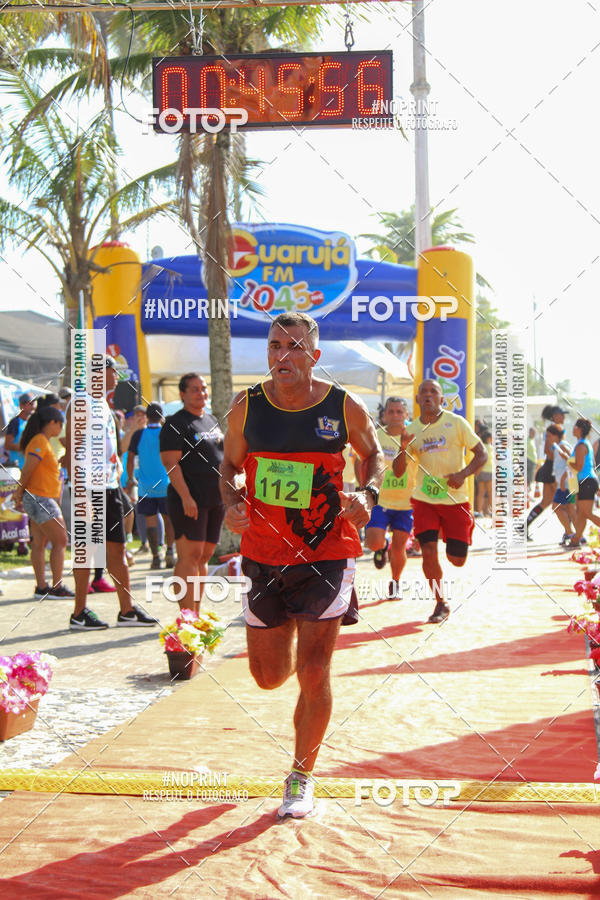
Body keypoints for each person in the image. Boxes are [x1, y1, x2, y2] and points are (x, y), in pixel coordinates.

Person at [221, 312, 384, 820]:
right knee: (269, 676)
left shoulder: (342, 404)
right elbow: (228, 466)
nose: (281, 356)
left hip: (327, 551)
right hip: (264, 555)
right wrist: (232, 499)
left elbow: (372, 454)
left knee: (314, 671)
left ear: (315, 354)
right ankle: (289, 628)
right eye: (274, 346)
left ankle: (301, 775)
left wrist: (368, 492)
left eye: (294, 347)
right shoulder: (247, 407)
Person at [65, 356, 158, 630]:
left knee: (117, 549)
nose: (116, 376)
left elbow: (107, 448)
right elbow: (71, 448)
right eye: (111, 370)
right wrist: (79, 488)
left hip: (108, 486)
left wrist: (116, 468)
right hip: (88, 488)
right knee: (87, 550)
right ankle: (79, 612)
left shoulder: (104, 403)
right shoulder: (81, 401)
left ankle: (127, 611)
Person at [393, 379, 487, 623]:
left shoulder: (456, 423)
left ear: (442, 399)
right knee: (428, 551)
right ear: (417, 400)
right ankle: (440, 603)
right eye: (423, 392)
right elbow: (399, 471)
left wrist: (463, 475)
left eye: (433, 391)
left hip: (455, 500)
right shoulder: (411, 430)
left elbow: (482, 454)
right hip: (424, 500)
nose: (427, 395)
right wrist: (403, 449)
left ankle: (462, 532)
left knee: (457, 559)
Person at [160, 374, 225, 613]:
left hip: (215, 500)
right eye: (195, 390)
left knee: (205, 556)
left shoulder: (211, 420)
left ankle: (196, 614)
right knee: (190, 556)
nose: (201, 393)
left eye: (203, 388)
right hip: (189, 499)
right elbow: (171, 463)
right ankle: (186, 616)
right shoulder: (175, 423)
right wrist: (186, 496)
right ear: (183, 394)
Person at [12, 405, 73, 599]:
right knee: (61, 540)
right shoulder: (39, 441)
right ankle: (56, 586)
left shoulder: (42, 441)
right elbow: (28, 469)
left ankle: (42, 586)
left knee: (39, 543)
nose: (60, 429)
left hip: (37, 497)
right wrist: (18, 493)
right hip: (39, 498)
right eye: (60, 424)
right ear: (52, 422)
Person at [364, 397, 416, 597]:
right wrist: (366, 488)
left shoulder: (413, 438)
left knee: (400, 546)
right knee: (373, 543)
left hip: (405, 501)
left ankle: (395, 583)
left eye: (399, 412)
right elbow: (362, 461)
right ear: (384, 415)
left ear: (406, 415)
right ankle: (382, 545)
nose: (395, 415)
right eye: (391, 412)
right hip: (381, 499)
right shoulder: (375, 436)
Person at [128, 403, 175, 569]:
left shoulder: (139, 434)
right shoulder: (166, 433)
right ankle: (170, 551)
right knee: (169, 520)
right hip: (166, 483)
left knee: (151, 522)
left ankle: (155, 557)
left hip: (145, 486)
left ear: (147, 416)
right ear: (161, 416)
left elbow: (130, 456)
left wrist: (130, 478)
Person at [526, 405, 567, 539]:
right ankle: (570, 533)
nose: (564, 416)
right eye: (561, 414)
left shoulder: (555, 428)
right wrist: (559, 458)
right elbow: (547, 451)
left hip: (552, 467)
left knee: (548, 502)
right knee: (563, 503)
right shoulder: (553, 429)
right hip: (553, 469)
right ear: (555, 415)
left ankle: (524, 525)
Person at [568, 418, 600, 547]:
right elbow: (590, 463)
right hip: (586, 481)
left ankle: (576, 538)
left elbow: (579, 466)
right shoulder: (585, 443)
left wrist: (568, 460)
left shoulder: (581, 445)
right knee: (581, 513)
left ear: (579, 429)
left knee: (586, 513)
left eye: (575, 426)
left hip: (586, 481)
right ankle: (576, 539)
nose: (573, 429)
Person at [549, 426, 577, 544]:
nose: (548, 438)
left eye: (549, 435)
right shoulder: (558, 446)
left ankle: (571, 533)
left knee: (556, 507)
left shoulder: (562, 446)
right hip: (565, 484)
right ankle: (577, 534)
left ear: (556, 435)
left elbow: (572, 461)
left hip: (565, 484)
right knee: (570, 509)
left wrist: (563, 478)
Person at [4, 393, 36, 468]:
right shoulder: (15, 422)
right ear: (21, 405)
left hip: (30, 467)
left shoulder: (34, 422)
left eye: (34, 404)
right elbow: (7, 445)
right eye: (30, 404)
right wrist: (26, 448)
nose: (33, 407)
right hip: (17, 468)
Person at [475, 430, 493, 517]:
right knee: (490, 492)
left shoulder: (481, 446)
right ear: (489, 438)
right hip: (489, 472)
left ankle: (479, 512)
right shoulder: (490, 447)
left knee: (480, 493)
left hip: (481, 472)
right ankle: (493, 511)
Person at [527, 426, 538, 501]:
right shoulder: (527, 441)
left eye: (535, 433)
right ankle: (527, 496)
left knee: (530, 480)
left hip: (532, 463)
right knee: (528, 480)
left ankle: (528, 496)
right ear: (530, 432)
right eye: (533, 433)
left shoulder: (531, 441)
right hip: (528, 462)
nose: (534, 434)